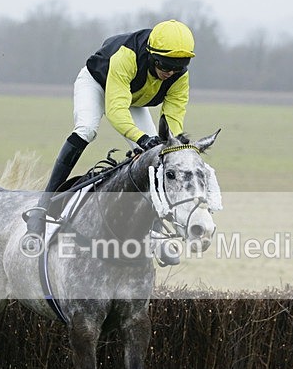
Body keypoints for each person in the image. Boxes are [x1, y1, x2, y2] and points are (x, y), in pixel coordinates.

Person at [22, 19, 195, 262]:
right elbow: (115, 110)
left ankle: (155, 230)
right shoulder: (127, 56)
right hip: (97, 83)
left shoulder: (179, 76)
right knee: (87, 129)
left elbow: (174, 117)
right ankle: (41, 208)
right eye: (164, 65)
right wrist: (141, 138)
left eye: (177, 68)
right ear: (151, 54)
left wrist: (169, 147)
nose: (170, 73)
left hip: (132, 97)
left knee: (157, 154)